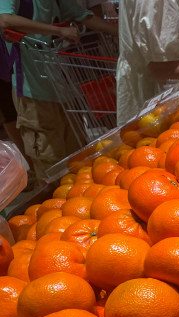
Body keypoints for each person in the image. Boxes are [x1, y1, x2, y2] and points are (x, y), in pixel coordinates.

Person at [0, 0, 117, 181]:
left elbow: (84, 16)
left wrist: (123, 34)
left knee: (76, 154)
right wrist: (58, 30)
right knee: (49, 159)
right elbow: (5, 20)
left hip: (61, 85)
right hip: (33, 90)